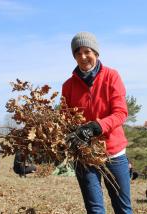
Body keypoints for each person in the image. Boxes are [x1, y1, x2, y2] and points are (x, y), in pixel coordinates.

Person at [62, 32, 132, 214]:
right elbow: (65, 120)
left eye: (87, 51)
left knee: (122, 208)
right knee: (94, 209)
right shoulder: (68, 86)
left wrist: (96, 127)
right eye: (78, 53)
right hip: (85, 155)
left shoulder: (111, 76)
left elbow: (121, 113)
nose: (83, 57)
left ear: (96, 53)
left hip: (113, 153)